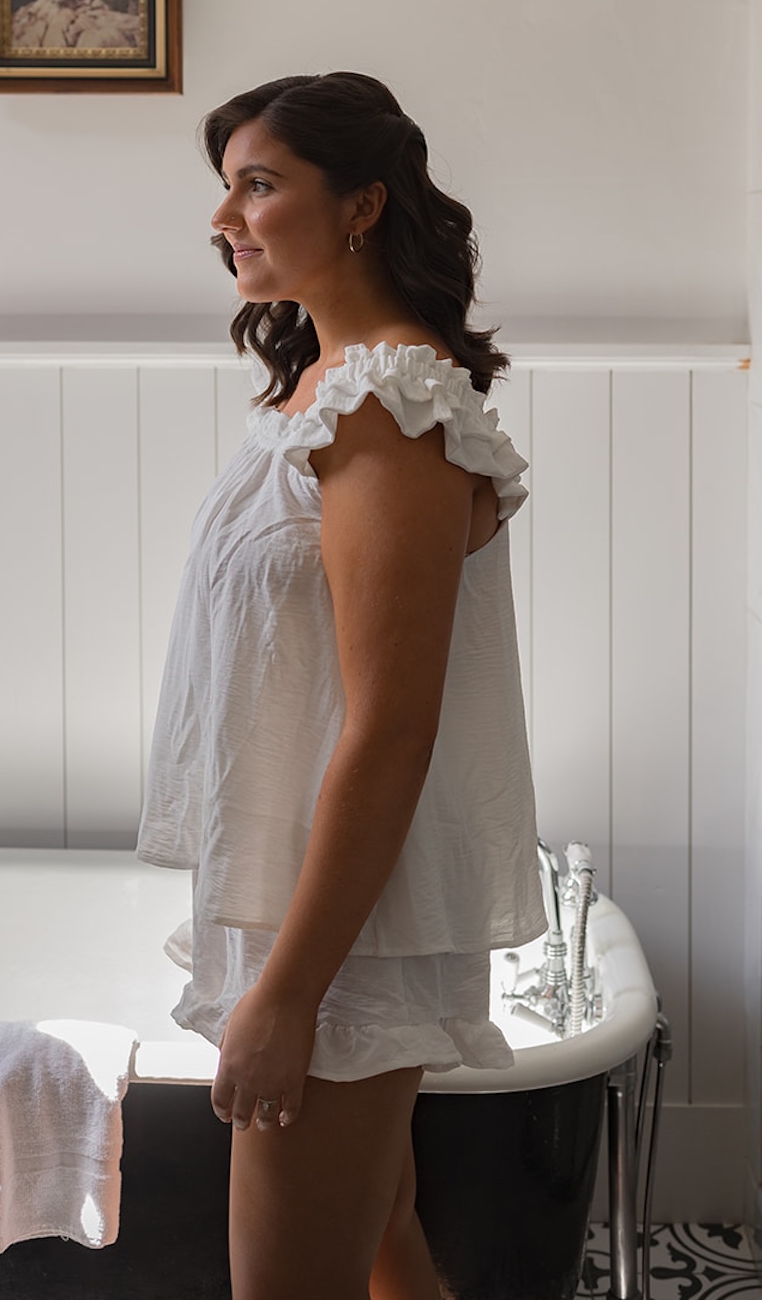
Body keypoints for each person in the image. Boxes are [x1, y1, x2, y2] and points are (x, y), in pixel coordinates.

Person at [138, 72, 545, 1300]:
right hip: (298, 904)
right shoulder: (320, 391)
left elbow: (390, 728)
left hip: (340, 937)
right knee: (386, 1252)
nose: (226, 219)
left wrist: (287, 996)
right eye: (225, 189)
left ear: (362, 205)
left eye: (259, 185)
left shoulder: (389, 403)